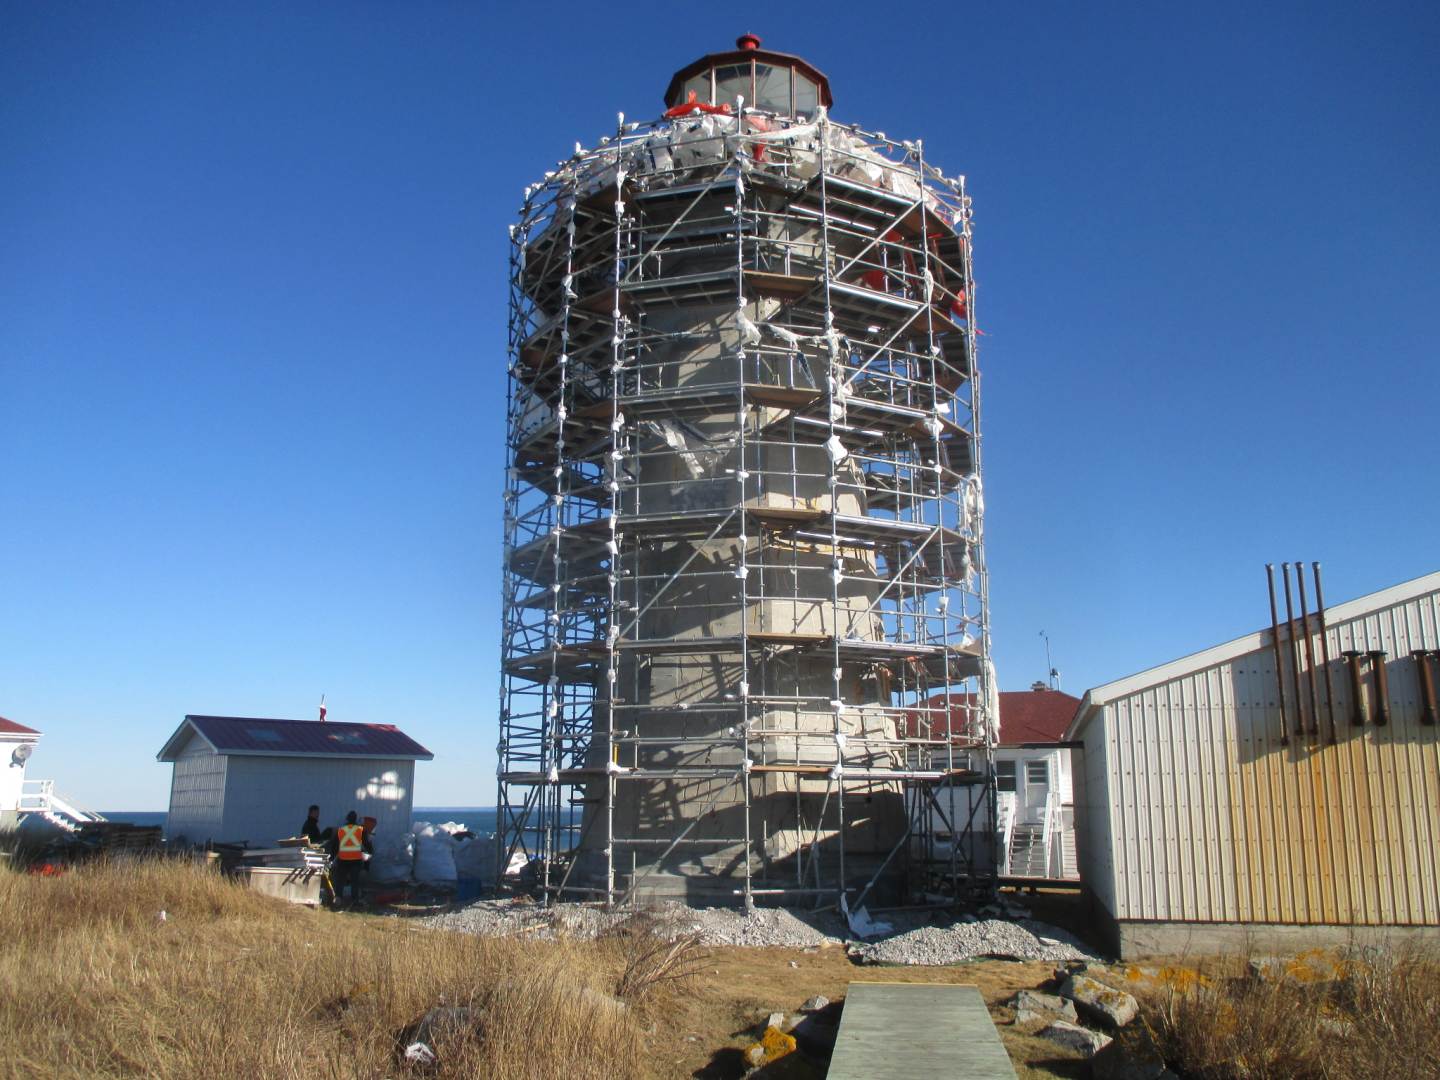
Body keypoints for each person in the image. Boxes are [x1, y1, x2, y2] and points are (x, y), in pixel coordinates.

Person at [328, 810, 371, 907]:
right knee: (354, 881)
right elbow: (366, 845)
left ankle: (338, 899)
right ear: (355, 820)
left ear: (347, 819)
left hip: (343, 860)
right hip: (355, 861)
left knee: (340, 881)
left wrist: (332, 859)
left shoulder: (341, 830)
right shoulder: (360, 830)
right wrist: (368, 857)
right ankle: (354, 901)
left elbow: (335, 846)